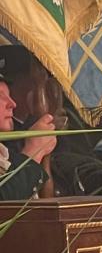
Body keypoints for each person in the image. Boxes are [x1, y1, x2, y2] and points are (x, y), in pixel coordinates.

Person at [0, 72, 56, 202]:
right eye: (1, 97)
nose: (12, 104)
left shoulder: (7, 155)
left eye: (9, 95)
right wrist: (34, 151)